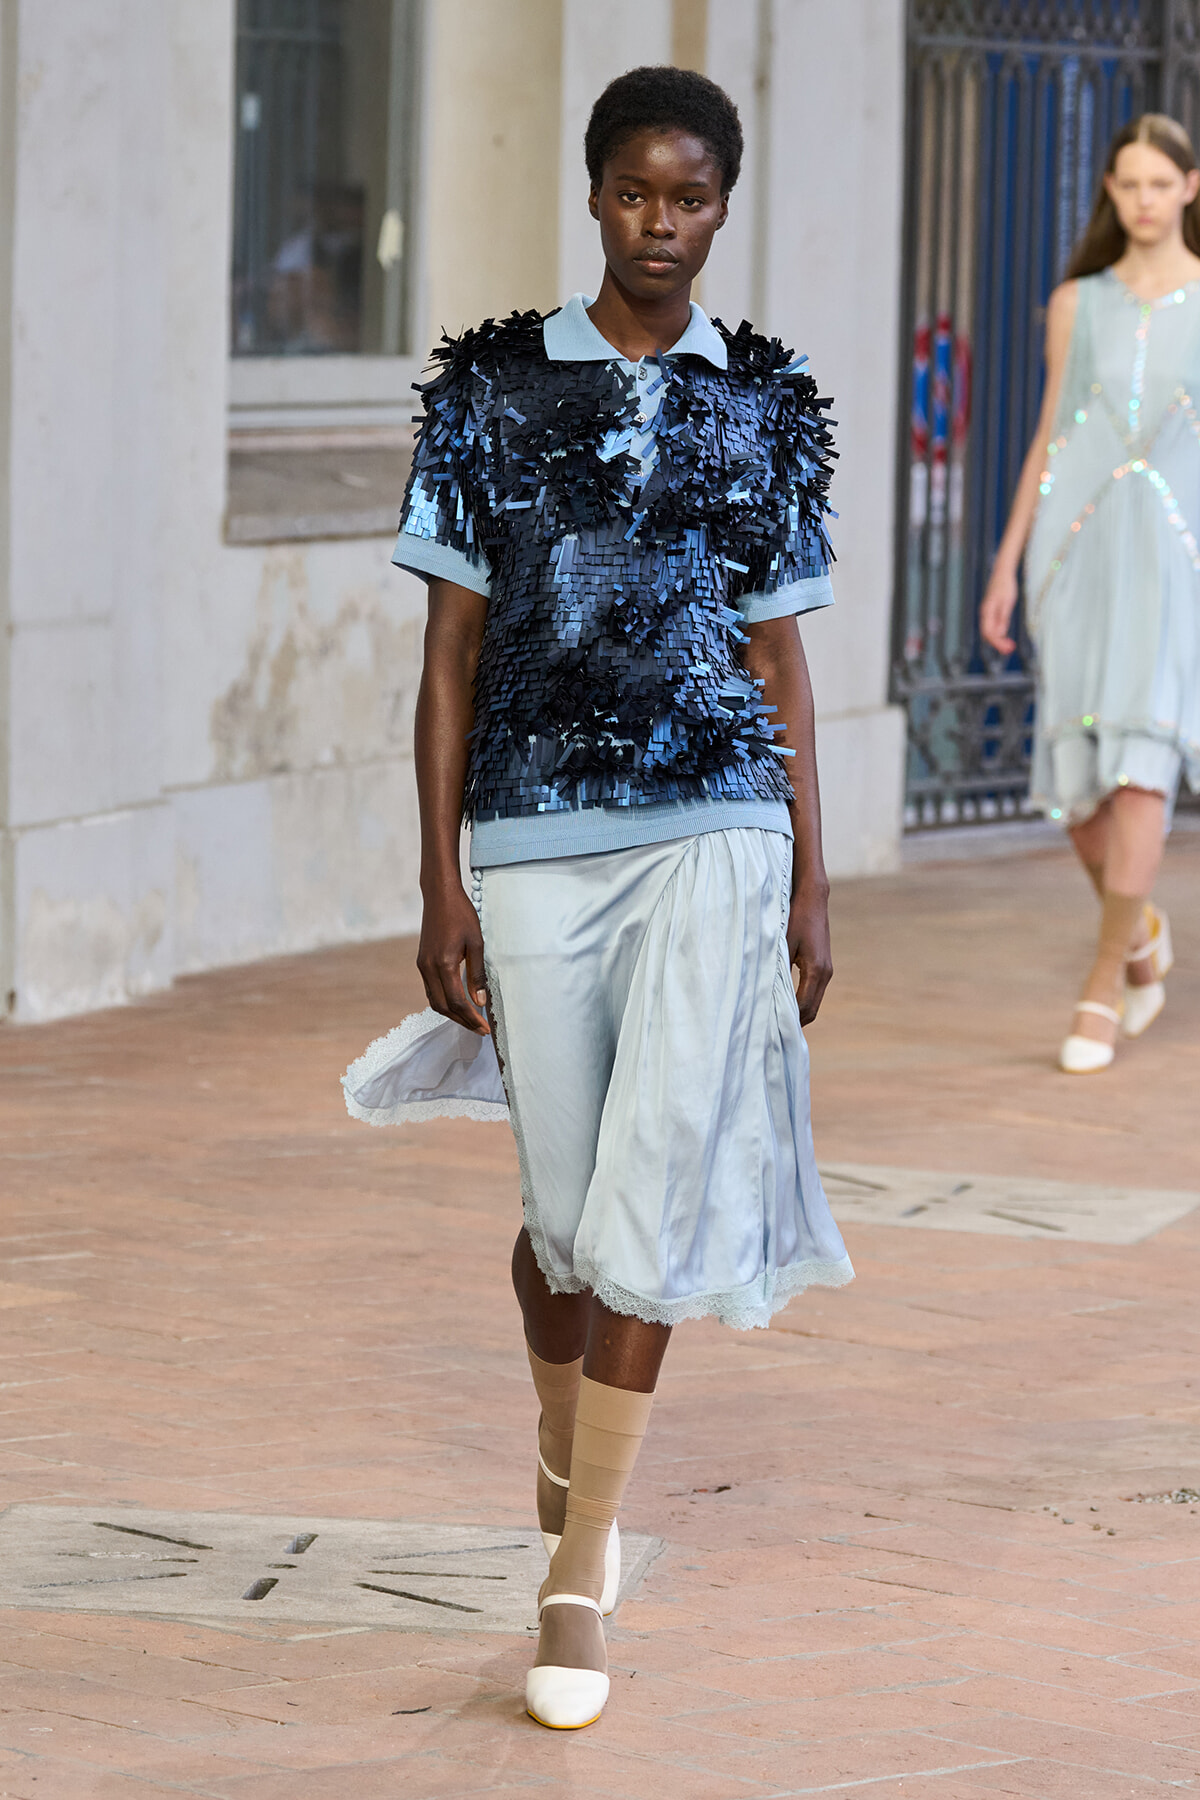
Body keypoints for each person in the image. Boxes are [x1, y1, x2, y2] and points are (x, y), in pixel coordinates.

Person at [343, 65, 852, 1729]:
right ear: (594, 195)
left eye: (691, 196)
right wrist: (438, 885)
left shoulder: (768, 401)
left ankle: (579, 1577)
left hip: (719, 825)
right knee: (561, 1225)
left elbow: (780, 657)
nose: (662, 222)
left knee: (651, 1191)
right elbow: (447, 658)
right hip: (533, 835)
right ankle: (568, 1451)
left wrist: (814, 882)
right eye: (637, 192)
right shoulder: (494, 390)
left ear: (722, 207)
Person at [981, 113, 1200, 1074]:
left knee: (1142, 762)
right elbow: (1049, 436)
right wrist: (1006, 559)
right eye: (1128, 184)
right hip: (1074, 550)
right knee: (1076, 790)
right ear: (1109, 193)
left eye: (1160, 183)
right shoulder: (1077, 302)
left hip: (1173, 558)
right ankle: (1142, 930)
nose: (1144, 200)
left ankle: (1106, 980)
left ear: (1189, 188)